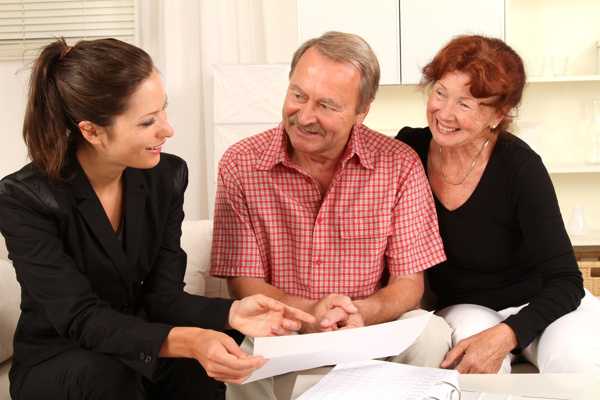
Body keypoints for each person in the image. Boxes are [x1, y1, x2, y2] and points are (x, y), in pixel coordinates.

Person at [0, 37, 315, 400]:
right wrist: (187, 339)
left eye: (163, 109)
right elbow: (78, 316)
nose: (167, 130)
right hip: (59, 358)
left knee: (193, 367)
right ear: (91, 131)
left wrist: (233, 314)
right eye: (148, 121)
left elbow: (162, 297)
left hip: (135, 348)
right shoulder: (25, 198)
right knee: (113, 373)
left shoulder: (167, 176)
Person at [210, 31, 453, 399]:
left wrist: (361, 313)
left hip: (370, 331)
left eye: (327, 105)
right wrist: (310, 313)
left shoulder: (400, 164)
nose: (304, 116)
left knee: (432, 333)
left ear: (362, 110)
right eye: (297, 95)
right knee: (243, 353)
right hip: (284, 330)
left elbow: (409, 283)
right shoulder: (241, 163)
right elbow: (244, 282)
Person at [395, 34, 600, 377]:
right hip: (466, 306)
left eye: (466, 104)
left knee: (574, 360)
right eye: (441, 92)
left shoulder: (521, 167)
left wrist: (510, 334)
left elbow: (566, 280)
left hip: (541, 303)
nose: (444, 113)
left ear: (499, 113)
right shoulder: (408, 150)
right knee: (469, 365)